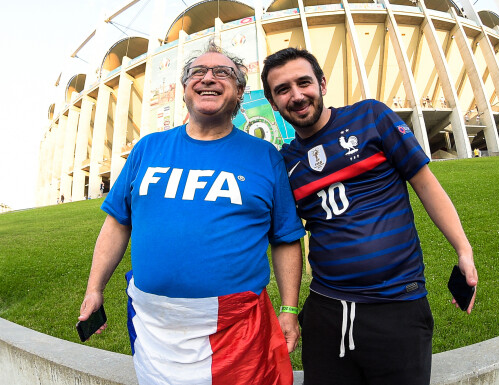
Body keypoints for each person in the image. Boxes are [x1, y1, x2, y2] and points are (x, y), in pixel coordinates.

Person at [79, 41, 306, 385]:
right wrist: (95, 287)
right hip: (154, 331)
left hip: (236, 333)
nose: (208, 78)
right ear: (185, 88)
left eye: (222, 72)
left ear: (240, 90)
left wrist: (289, 308)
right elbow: (117, 222)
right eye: (197, 72)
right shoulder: (148, 148)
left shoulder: (265, 157)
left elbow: (286, 239)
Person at [261, 48, 478, 385]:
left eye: (304, 82)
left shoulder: (372, 116)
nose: (297, 95)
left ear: (322, 83)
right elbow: (287, 235)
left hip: (397, 304)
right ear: (273, 102)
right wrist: (289, 309)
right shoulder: (284, 162)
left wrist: (463, 250)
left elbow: (425, 183)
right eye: (283, 89)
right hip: (327, 309)